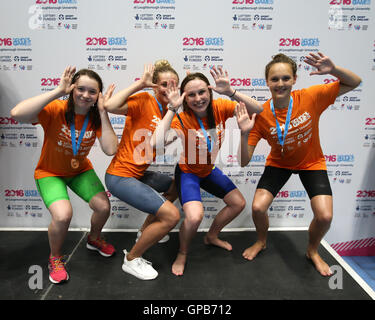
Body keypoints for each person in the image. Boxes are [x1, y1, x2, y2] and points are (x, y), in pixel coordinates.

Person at [236, 52, 362, 276]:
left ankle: (312, 251)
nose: (280, 83)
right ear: (267, 82)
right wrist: (244, 134)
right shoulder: (262, 114)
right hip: (279, 164)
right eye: (275, 79)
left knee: (324, 216)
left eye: (286, 78)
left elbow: (355, 82)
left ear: (294, 79)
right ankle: (262, 241)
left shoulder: (311, 96)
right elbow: (244, 162)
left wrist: (333, 70)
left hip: (312, 163)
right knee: (257, 207)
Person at [10, 66, 118, 284]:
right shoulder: (56, 108)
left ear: (98, 95)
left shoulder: (96, 116)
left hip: (79, 171)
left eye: (92, 91)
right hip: (50, 173)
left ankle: (94, 238)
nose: (85, 95)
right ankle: (55, 258)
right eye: (80, 89)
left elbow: (110, 149)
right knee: (62, 216)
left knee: (103, 207)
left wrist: (104, 112)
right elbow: (16, 113)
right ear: (72, 89)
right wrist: (57, 92)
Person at [151, 66, 263, 276]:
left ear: (210, 92)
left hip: (208, 169)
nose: (198, 98)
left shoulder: (220, 106)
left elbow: (258, 109)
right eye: (191, 94)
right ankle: (182, 253)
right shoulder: (181, 118)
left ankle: (211, 236)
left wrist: (231, 92)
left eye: (202, 92)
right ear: (184, 98)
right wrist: (171, 109)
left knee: (238, 203)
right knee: (194, 218)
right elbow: (156, 144)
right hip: (188, 172)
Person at [104, 61, 180, 280]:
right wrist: (140, 85)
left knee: (176, 186)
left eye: (174, 85)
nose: (168, 89)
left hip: (137, 174)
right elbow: (110, 106)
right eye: (164, 84)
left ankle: (143, 231)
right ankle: (132, 259)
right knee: (171, 216)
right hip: (120, 176)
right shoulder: (144, 99)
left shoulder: (170, 111)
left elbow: (159, 141)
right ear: (155, 86)